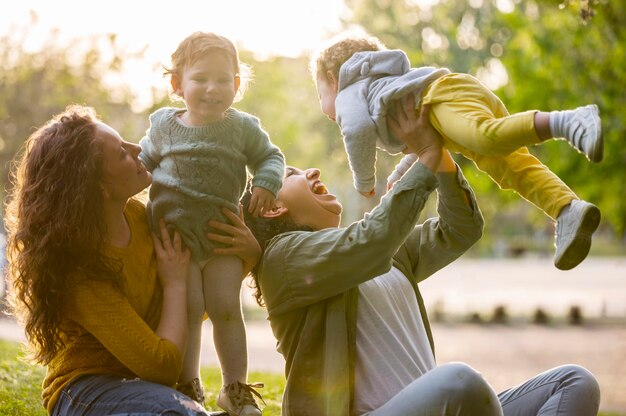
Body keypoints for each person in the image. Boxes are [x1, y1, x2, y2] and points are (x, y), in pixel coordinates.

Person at [208, 99, 601, 415]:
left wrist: (440, 157)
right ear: (273, 208)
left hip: (435, 407)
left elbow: (459, 229)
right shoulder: (284, 261)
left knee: (574, 382)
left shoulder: (373, 250)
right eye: (292, 174)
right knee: (459, 382)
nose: (311, 171)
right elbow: (373, 239)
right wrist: (426, 156)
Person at [5, 105, 262, 415]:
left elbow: (194, 309)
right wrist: (175, 283)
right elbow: (162, 366)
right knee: (176, 412)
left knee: (178, 410)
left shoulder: (145, 219)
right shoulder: (79, 272)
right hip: (87, 390)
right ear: (99, 187)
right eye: (122, 153)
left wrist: (248, 255)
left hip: (148, 386)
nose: (137, 147)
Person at [311, 30, 602, 271]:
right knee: (508, 167)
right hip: (448, 103)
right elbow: (423, 139)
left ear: (333, 78)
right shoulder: (385, 92)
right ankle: (566, 208)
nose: (324, 105)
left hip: (442, 97)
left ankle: (569, 121)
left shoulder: (349, 92)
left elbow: (357, 130)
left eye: (320, 93)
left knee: (486, 138)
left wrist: (363, 182)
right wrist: (402, 171)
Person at [138, 31, 284, 415]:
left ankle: (234, 389)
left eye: (223, 80)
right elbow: (140, 166)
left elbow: (271, 157)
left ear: (236, 84)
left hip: (222, 239)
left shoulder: (242, 127)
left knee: (224, 309)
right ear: (177, 84)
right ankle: (188, 386)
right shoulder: (163, 127)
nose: (212, 88)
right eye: (200, 78)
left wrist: (266, 184)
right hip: (177, 241)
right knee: (188, 310)